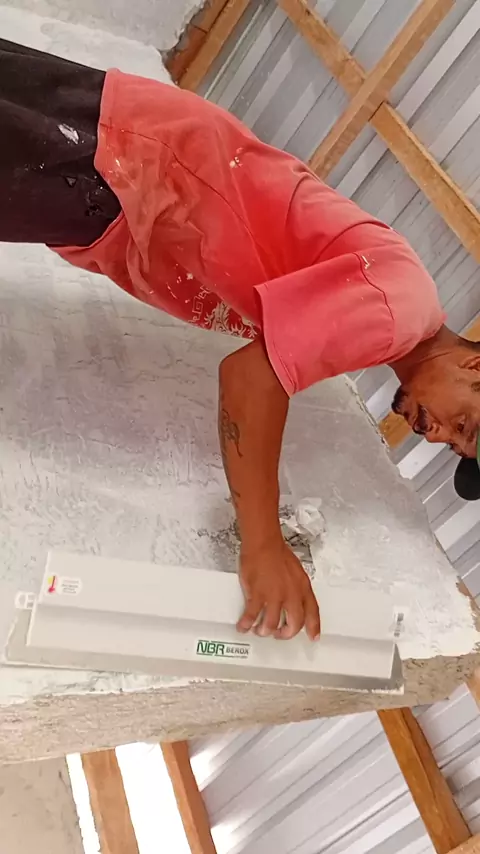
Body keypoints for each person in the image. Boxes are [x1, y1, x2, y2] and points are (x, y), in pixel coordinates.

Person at [2, 39, 480, 643]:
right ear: (474, 368)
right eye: (464, 425)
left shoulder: (391, 314)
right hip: (130, 167)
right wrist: (263, 545)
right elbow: (252, 378)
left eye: (451, 447)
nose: (435, 435)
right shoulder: (400, 312)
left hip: (131, 164)